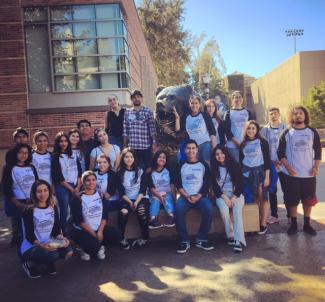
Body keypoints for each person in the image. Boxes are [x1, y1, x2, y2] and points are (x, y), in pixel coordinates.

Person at [278, 106, 321, 236]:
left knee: (309, 201)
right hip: (292, 175)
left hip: (309, 174)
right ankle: (294, 225)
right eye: (295, 114)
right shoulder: (287, 132)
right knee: (292, 200)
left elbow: (318, 151)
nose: (298, 115)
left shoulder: (312, 131)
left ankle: (307, 224)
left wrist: (316, 167)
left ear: (305, 115)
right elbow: (280, 152)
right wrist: (288, 167)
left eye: (301, 113)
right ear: (292, 117)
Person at [70, 171, 128, 261]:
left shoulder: (101, 195)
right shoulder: (78, 198)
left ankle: (99, 245)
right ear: (83, 182)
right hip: (84, 231)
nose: (91, 182)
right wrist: (94, 235)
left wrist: (100, 232)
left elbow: (104, 216)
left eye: (93, 180)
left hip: (98, 229)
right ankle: (83, 249)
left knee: (117, 234)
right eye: (88, 180)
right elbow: (79, 221)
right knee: (93, 246)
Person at [20, 180, 73, 278]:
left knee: (68, 250)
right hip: (32, 246)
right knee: (53, 255)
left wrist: (63, 239)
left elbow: (56, 230)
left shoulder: (53, 207)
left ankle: (48, 261)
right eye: (39, 191)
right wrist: (42, 245)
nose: (43, 194)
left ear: (49, 191)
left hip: (48, 243)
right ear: (34, 193)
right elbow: (29, 236)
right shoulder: (29, 210)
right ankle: (28, 262)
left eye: (45, 190)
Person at [175, 139, 214, 254]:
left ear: (197, 150)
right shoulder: (180, 165)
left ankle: (201, 239)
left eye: (193, 148)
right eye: (188, 148)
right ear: (185, 150)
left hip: (200, 196)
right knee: (178, 208)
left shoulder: (203, 165)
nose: (191, 150)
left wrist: (199, 196)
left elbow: (206, 183)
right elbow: (178, 183)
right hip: (185, 197)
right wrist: (186, 196)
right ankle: (184, 240)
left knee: (208, 208)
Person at [210, 146, 246, 252]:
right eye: (217, 154)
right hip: (221, 195)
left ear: (226, 153)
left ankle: (238, 241)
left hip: (236, 194)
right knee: (224, 211)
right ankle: (230, 235)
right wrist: (225, 197)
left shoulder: (235, 165)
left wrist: (234, 197)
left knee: (236, 211)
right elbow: (215, 187)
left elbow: (240, 184)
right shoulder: (213, 168)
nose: (220, 156)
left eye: (222, 153)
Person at [2, 144, 38, 247]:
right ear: (16, 153)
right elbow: (7, 189)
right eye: (21, 152)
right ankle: (23, 255)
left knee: (31, 229)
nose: (24, 155)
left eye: (26, 153)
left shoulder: (31, 167)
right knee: (20, 231)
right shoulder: (9, 168)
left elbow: (37, 184)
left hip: (32, 202)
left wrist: (35, 201)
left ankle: (33, 250)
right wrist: (18, 204)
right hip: (18, 203)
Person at [239, 121, 270, 235]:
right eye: (249, 128)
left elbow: (267, 161)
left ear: (257, 130)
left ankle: (263, 223)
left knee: (263, 198)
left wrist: (267, 177)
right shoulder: (243, 143)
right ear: (246, 130)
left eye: (253, 128)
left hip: (260, 173)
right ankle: (255, 222)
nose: (251, 131)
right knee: (255, 198)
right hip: (247, 174)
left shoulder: (262, 142)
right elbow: (241, 161)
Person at [260, 107, 289, 224]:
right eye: (271, 114)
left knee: (287, 190)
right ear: (268, 116)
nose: (273, 115)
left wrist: (282, 161)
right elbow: (262, 149)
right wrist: (271, 162)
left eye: (275, 113)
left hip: (283, 164)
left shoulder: (285, 128)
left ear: (279, 114)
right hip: (271, 165)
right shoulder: (264, 130)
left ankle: (290, 215)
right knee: (272, 190)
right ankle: (274, 215)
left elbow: (288, 147)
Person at [117, 148, 149, 248]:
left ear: (134, 158)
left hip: (141, 198)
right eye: (126, 157)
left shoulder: (140, 171)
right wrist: (130, 203)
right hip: (126, 198)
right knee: (123, 213)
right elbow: (121, 191)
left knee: (142, 212)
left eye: (131, 157)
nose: (129, 159)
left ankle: (144, 238)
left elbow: (143, 189)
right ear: (123, 158)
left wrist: (136, 202)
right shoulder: (119, 173)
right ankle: (121, 238)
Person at [51, 131, 82, 234]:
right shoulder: (55, 156)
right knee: (65, 211)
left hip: (75, 185)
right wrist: (72, 189)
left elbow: (79, 171)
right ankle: (64, 233)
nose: (63, 143)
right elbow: (58, 177)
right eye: (61, 141)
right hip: (63, 186)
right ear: (57, 143)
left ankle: (74, 232)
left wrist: (78, 186)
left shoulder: (73, 154)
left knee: (75, 209)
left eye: (65, 141)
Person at [123, 90, 157, 169]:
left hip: (146, 147)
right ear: (131, 100)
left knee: (148, 168)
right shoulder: (127, 112)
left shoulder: (148, 111)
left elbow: (152, 128)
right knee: (134, 168)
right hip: (133, 147)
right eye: (134, 97)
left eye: (138, 97)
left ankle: (148, 181)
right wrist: (125, 146)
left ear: (141, 98)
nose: (136, 99)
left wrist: (154, 142)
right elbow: (125, 130)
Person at [183, 95, 216, 163]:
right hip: (193, 148)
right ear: (189, 104)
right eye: (192, 103)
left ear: (199, 104)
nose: (194, 105)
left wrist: (214, 147)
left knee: (207, 165)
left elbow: (212, 131)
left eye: (196, 103)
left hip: (205, 145)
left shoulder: (205, 115)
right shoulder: (186, 117)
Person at [147, 150, 176, 229]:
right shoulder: (150, 171)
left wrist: (174, 199)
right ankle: (152, 219)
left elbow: (172, 185)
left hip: (167, 193)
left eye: (164, 157)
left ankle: (171, 216)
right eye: (160, 157)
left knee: (167, 197)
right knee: (155, 200)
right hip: (155, 193)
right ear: (156, 158)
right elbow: (151, 187)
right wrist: (159, 196)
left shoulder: (169, 170)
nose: (162, 159)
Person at [225, 91, 252, 162]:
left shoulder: (248, 112)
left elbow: (252, 128)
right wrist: (238, 144)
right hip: (232, 145)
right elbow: (227, 131)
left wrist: (246, 142)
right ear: (232, 99)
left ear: (242, 99)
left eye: (240, 97)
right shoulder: (228, 113)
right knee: (235, 168)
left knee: (247, 168)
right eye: (236, 97)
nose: (238, 99)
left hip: (246, 144)